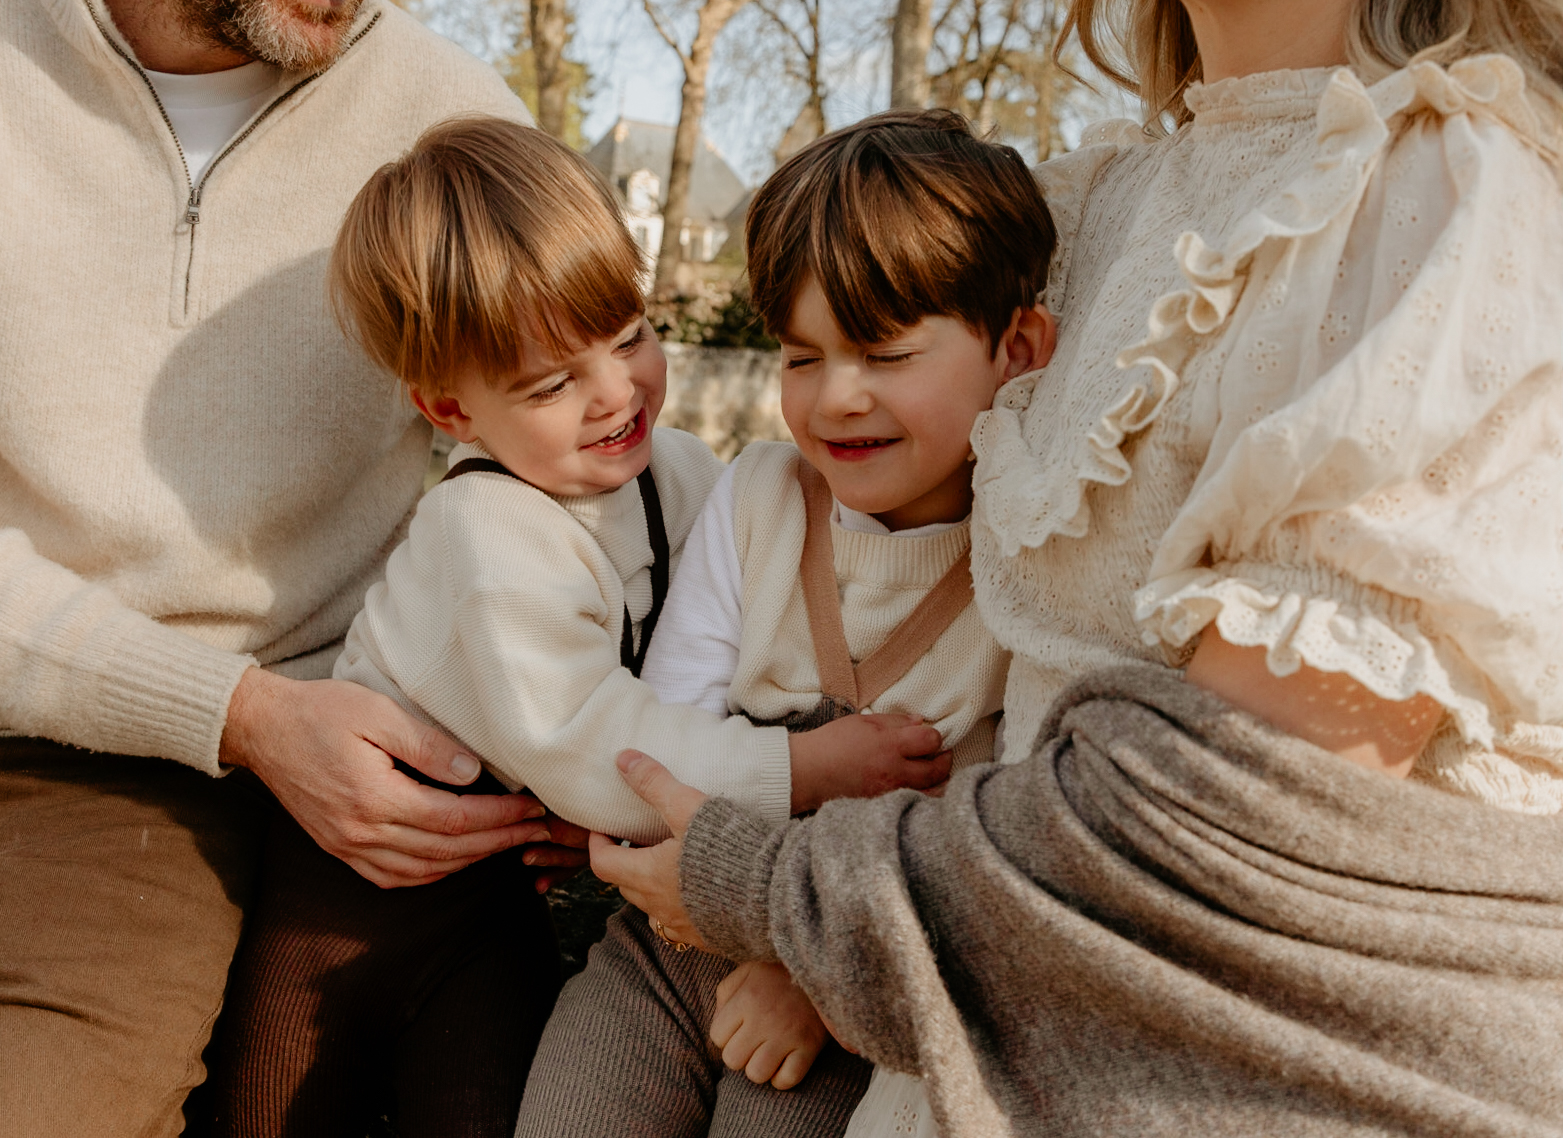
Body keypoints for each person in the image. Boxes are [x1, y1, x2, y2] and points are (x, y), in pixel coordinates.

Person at [591, 0, 1563, 1134]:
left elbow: (1226, 824)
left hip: (1258, 1069)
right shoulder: (1096, 202)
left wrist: (773, 890)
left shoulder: (1449, 194)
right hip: (994, 1000)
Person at [0, 2, 566, 1134]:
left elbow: (575, 463)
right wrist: (236, 709)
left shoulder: (455, 119)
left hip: (118, 807)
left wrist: (616, 758)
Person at [206, 115, 956, 1137]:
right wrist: (811, 766)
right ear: (451, 409)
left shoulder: (681, 475)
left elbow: (711, 659)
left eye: (631, 336)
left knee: (485, 1104)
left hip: (499, 893)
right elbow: (597, 746)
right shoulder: (481, 532)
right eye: (553, 383)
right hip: (348, 898)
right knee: (276, 1110)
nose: (615, 394)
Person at [518, 109, 1056, 1138]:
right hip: (671, 940)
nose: (835, 398)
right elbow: (656, 749)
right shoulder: (762, 495)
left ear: (1017, 347)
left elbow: (990, 832)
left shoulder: (1026, 560)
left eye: (884, 352)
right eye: (801, 356)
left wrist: (819, 974)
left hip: (849, 972)